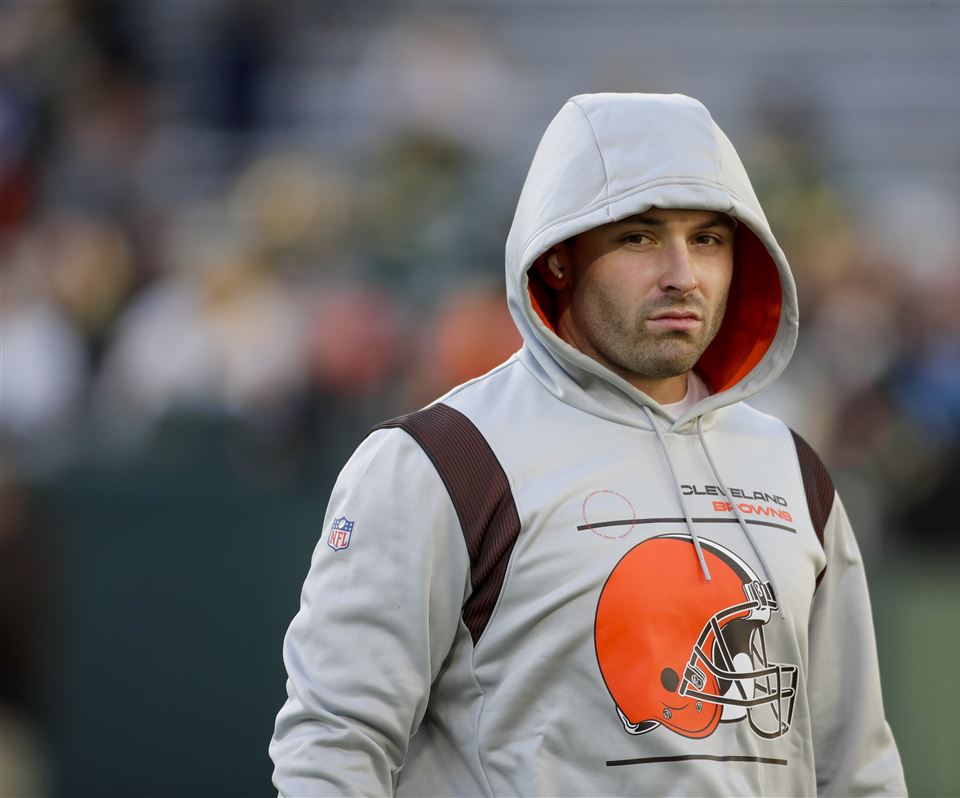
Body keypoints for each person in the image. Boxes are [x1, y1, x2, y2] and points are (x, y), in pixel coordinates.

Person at [270, 92, 906, 797]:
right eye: (638, 236)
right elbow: (334, 744)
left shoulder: (793, 469)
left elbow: (856, 772)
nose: (682, 274)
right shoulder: (445, 462)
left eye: (709, 239)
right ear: (559, 257)